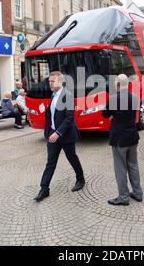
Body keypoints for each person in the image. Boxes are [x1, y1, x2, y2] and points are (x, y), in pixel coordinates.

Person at [34, 71, 85, 202]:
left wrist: (58, 133)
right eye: (49, 81)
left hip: (65, 135)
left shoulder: (67, 95)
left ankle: (80, 179)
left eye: (53, 81)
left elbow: (69, 119)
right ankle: (44, 189)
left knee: (72, 158)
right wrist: (49, 132)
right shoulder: (53, 95)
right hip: (52, 135)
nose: (50, 83)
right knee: (50, 163)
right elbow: (51, 116)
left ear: (61, 82)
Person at [102, 74, 143, 206]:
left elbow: (105, 114)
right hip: (132, 136)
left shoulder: (114, 98)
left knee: (120, 168)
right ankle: (137, 193)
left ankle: (124, 197)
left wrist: (113, 116)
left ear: (118, 84)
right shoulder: (135, 97)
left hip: (119, 139)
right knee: (133, 165)